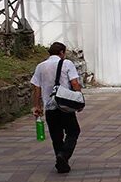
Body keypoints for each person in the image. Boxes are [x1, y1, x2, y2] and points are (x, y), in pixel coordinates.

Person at [30, 42, 83, 174]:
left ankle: (61, 163)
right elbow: (74, 83)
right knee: (73, 131)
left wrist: (37, 106)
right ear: (62, 52)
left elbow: (36, 87)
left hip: (49, 107)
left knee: (56, 136)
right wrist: (79, 99)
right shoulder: (67, 64)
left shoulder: (40, 66)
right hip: (65, 105)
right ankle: (63, 156)